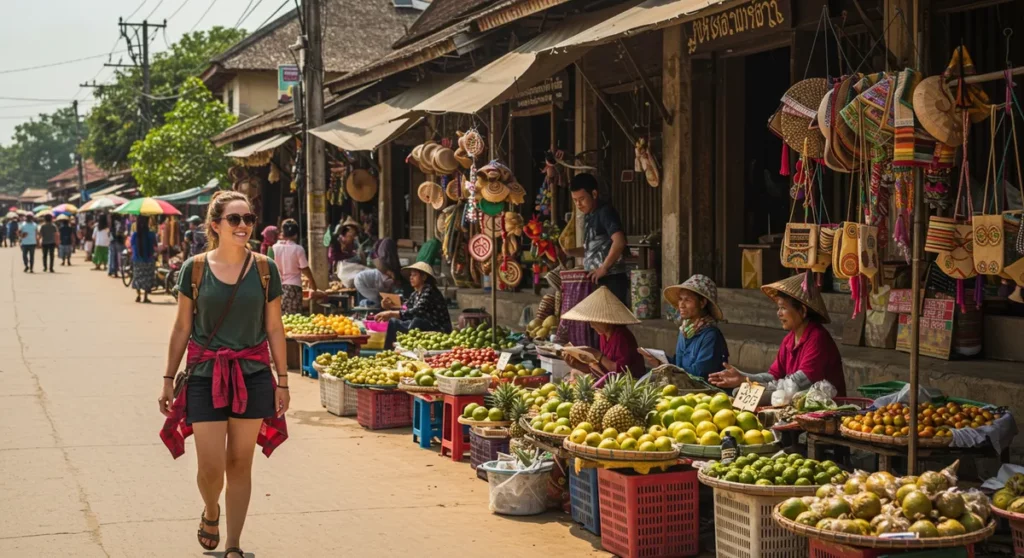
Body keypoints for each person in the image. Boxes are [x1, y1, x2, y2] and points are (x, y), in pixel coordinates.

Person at [158, 191, 288, 558]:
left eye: (248, 218)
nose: (244, 225)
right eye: (235, 219)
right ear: (215, 225)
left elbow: (275, 328)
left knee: (239, 463)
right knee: (211, 468)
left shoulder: (266, 268)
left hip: (253, 375)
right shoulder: (194, 269)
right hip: (203, 375)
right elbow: (182, 326)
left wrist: (283, 379)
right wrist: (169, 378)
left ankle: (233, 543)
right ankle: (211, 509)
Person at [709, 273, 846, 399]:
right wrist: (742, 376)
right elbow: (773, 376)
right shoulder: (789, 339)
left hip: (824, 406)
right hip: (794, 399)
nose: (778, 313)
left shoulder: (817, 338)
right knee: (738, 393)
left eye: (783, 308)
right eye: (778, 308)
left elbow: (796, 384)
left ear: (803, 311)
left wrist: (746, 382)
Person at [567, 173, 630, 306]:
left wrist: (604, 268)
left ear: (594, 194)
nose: (578, 204)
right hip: (598, 280)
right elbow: (592, 250)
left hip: (612, 279)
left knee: (611, 325)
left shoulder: (605, 212)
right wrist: (569, 252)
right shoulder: (588, 216)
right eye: (575, 200)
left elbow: (619, 241)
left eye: (582, 199)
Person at [561, 286, 647, 380]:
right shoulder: (603, 335)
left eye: (595, 321)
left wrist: (597, 355)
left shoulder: (622, 336)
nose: (592, 325)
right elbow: (602, 370)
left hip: (629, 381)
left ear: (606, 320)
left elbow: (619, 371)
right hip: (610, 380)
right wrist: (576, 364)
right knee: (574, 373)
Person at [656, 275, 730, 379]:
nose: (681, 305)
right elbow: (679, 365)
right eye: (680, 299)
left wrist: (671, 369)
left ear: (702, 303)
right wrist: (660, 361)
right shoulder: (684, 331)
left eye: (687, 300)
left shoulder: (711, 336)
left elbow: (699, 374)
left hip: (705, 392)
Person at [376, 261, 452, 349]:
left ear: (423, 277)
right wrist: (390, 306)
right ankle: (389, 351)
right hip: (423, 325)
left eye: (414, 275)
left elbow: (417, 311)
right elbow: (406, 307)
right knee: (393, 322)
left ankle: (408, 348)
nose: (411, 278)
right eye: (410, 275)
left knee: (416, 321)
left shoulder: (429, 290)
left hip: (439, 328)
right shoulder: (415, 294)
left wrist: (391, 313)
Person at [272, 219, 320, 314]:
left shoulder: (274, 248)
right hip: (293, 287)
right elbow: (304, 268)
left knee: (280, 318)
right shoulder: (298, 249)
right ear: (296, 235)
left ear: (283, 233)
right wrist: (313, 284)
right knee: (293, 317)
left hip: (278, 287)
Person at [353, 238, 402, 308]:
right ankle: (364, 305)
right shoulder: (385, 267)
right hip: (360, 280)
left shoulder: (388, 262)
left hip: (366, 280)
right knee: (376, 300)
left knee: (377, 299)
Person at [130, 216, 159, 303]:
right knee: (147, 278)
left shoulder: (135, 234)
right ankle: (145, 297)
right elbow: (155, 245)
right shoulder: (151, 234)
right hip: (149, 259)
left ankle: (138, 296)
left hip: (137, 260)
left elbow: (131, 245)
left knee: (137, 277)